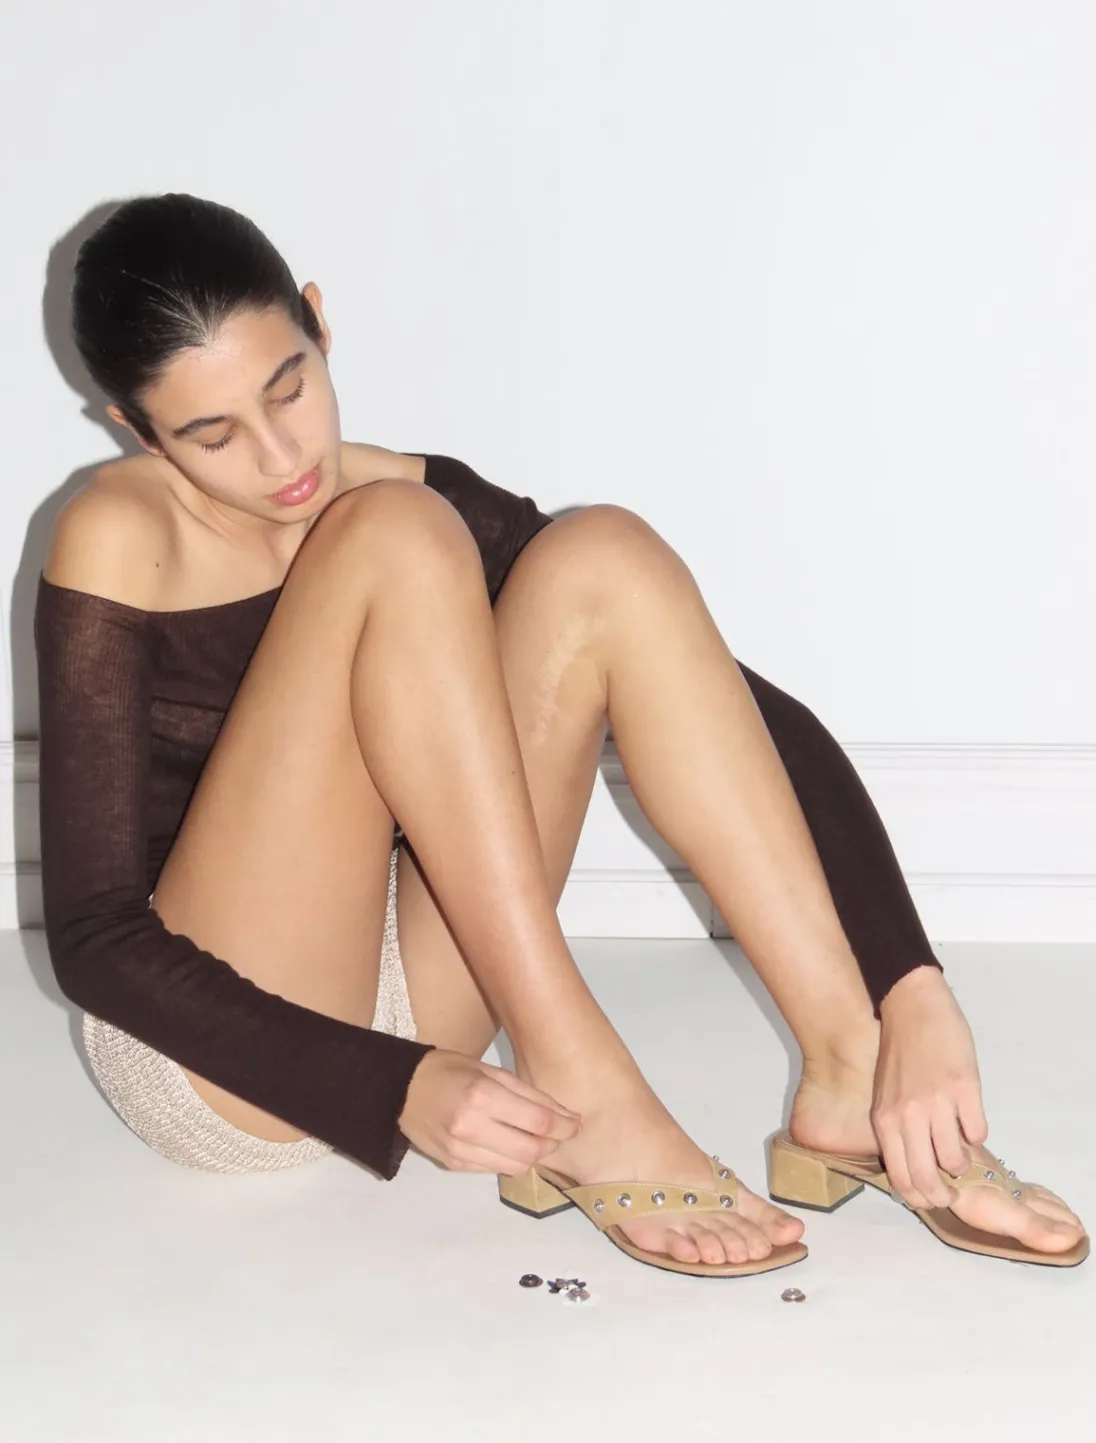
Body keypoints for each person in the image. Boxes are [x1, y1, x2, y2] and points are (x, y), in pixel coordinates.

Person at [35, 192, 1087, 1280]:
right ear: (137, 431)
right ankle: (580, 1081)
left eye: (289, 387)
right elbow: (95, 935)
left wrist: (908, 982)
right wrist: (390, 1086)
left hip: (422, 984)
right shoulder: (120, 533)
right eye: (211, 435)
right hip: (215, 1059)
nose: (278, 456)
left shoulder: (408, 491)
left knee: (604, 559)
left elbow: (727, 700)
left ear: (318, 321)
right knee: (391, 534)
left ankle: (850, 1071)